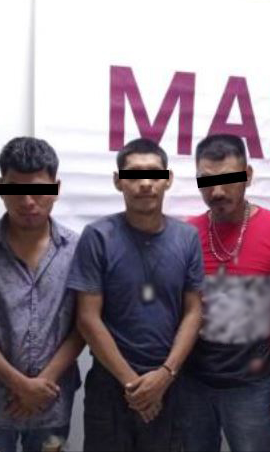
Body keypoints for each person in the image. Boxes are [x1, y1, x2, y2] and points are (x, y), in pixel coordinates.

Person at [68, 138, 204, 452]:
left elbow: (194, 311)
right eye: (134, 175)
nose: (145, 183)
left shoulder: (187, 238)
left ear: (168, 179)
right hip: (110, 385)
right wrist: (133, 384)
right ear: (118, 181)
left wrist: (165, 376)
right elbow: (87, 319)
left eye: (154, 173)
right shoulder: (98, 237)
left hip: (169, 383)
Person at [183, 133, 270, 452]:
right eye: (207, 181)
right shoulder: (186, 233)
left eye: (228, 179)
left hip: (251, 385)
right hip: (193, 381)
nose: (217, 191)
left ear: (248, 175)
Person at [0, 137, 84, 452]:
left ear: (56, 187)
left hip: (50, 401)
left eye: (38, 190)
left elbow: (83, 326)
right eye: (16, 190)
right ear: (1, 187)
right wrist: (21, 385)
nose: (27, 201)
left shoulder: (78, 249)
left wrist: (40, 385)